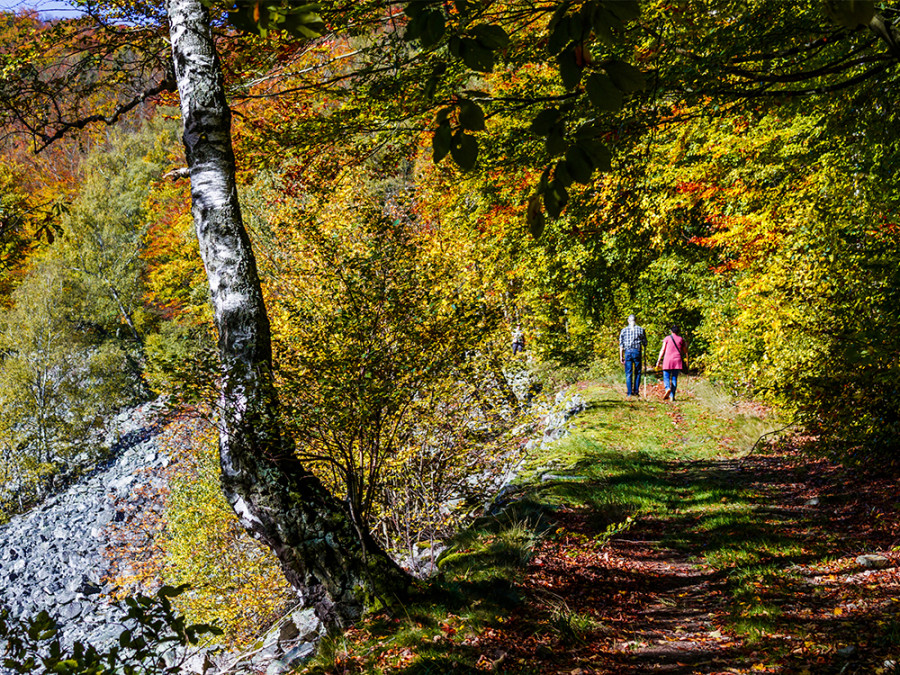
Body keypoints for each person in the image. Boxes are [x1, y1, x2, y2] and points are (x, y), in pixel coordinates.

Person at [655, 324, 688, 401]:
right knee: (674, 378)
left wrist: (658, 361)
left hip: (668, 360)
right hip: (677, 360)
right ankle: (672, 396)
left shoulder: (667, 338)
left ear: (671, 331)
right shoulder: (681, 339)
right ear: (678, 331)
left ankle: (667, 388)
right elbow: (685, 351)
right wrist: (686, 345)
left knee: (666, 376)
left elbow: (663, 350)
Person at [618, 314, 647, 397]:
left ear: (628, 321)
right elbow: (645, 343)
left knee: (628, 373)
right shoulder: (640, 330)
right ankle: (636, 391)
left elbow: (621, 345)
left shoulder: (623, 331)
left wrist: (621, 356)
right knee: (637, 372)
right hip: (637, 352)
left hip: (627, 352)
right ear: (635, 320)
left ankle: (629, 392)